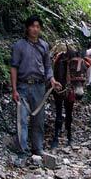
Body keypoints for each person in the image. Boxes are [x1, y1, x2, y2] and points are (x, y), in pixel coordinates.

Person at [10, 15, 62, 157]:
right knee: (22, 119)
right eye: (32, 26)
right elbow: (13, 67)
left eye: (37, 26)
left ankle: (37, 148)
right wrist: (14, 89)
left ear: (40, 29)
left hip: (39, 87)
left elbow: (47, 66)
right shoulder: (19, 46)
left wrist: (51, 79)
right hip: (23, 86)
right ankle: (23, 150)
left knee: (39, 120)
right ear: (27, 28)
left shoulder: (44, 46)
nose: (35, 29)